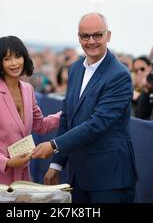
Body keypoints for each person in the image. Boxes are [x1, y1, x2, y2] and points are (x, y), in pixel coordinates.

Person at [31, 13, 138, 203]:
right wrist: (57, 164)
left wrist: (54, 146)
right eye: (85, 36)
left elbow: (97, 123)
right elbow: (67, 118)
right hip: (79, 177)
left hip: (110, 179)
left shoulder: (119, 75)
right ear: (78, 37)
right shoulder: (75, 69)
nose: (91, 41)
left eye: (97, 35)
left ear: (109, 36)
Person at [0, 36, 61, 185]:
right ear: (0, 62)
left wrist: (66, 114)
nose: (14, 63)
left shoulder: (28, 89)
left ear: (24, 58)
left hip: (24, 175)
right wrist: (7, 162)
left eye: (18, 57)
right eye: (7, 59)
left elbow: (41, 125)